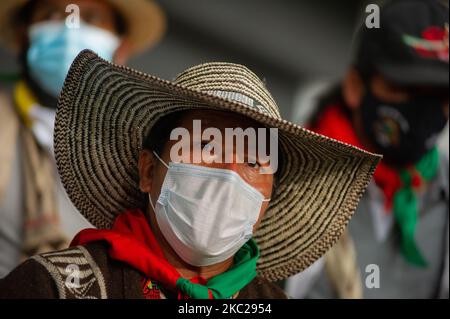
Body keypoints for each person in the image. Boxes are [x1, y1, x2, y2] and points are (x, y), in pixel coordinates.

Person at [0, 50, 380, 299]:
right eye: (207, 147)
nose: (229, 174)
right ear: (149, 171)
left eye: (253, 162)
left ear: (267, 200)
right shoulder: (52, 288)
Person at [287, 0, 449, 299]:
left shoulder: (443, 190)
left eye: (440, 95)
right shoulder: (286, 177)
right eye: (407, 89)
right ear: (354, 86)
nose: (424, 111)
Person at [0, 0, 166, 278]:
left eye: (90, 17)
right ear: (22, 37)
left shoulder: (144, 151)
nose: (70, 28)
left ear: (120, 47)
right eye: (52, 14)